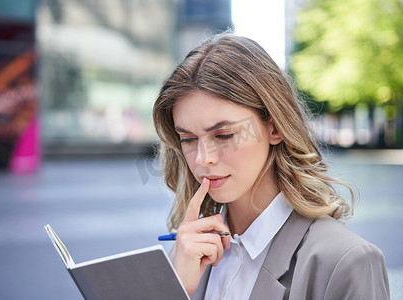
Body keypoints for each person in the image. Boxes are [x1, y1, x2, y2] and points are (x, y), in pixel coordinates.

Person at [152, 32, 390, 300]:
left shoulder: (344, 262)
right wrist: (174, 290)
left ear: (274, 127)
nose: (202, 158)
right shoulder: (182, 257)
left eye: (223, 135)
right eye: (188, 139)